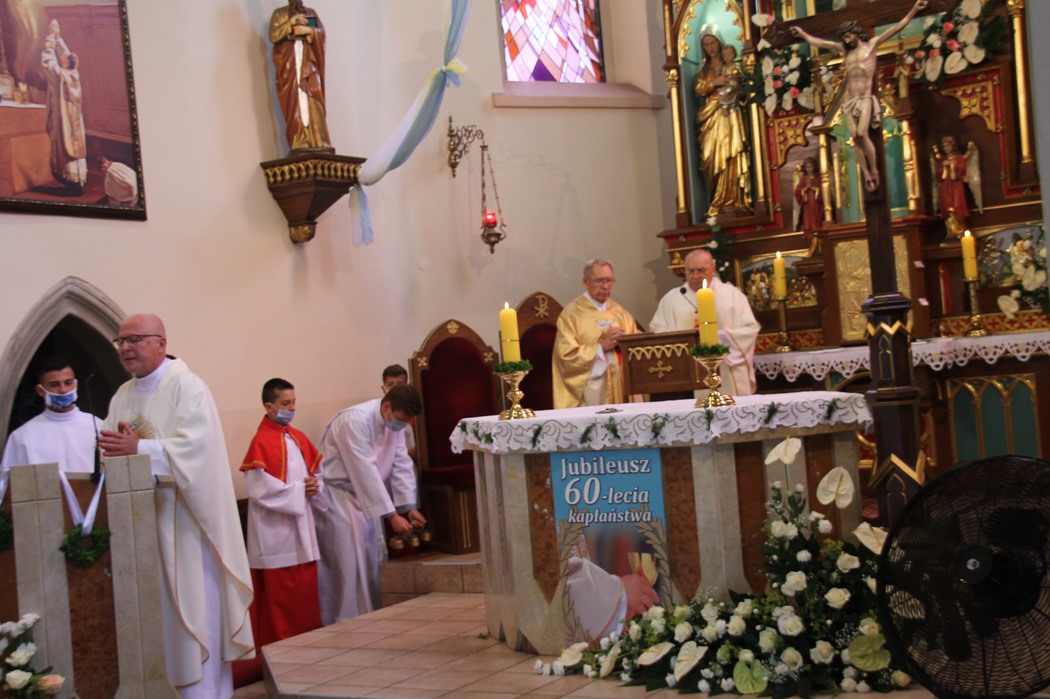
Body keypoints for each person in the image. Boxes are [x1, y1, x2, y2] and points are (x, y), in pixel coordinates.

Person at [98, 314, 253, 698]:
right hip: (140, 530)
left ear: (161, 342)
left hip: (186, 529)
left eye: (135, 339)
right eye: (121, 341)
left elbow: (198, 451)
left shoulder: (188, 387)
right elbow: (110, 450)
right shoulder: (121, 396)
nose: (125, 347)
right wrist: (115, 453)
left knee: (194, 623)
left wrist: (140, 448)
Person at [313, 384, 426, 623]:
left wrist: (409, 508)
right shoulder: (353, 421)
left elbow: (401, 463)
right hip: (340, 498)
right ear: (387, 406)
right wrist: (391, 516)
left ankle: (369, 616)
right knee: (348, 564)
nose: (401, 425)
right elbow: (364, 471)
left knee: (371, 560)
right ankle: (342, 620)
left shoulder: (392, 423)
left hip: (367, 499)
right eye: (400, 419)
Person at [790, 0, 928, 192]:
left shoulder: (871, 45)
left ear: (855, 32)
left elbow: (896, 28)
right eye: (844, 38)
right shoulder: (845, 50)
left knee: (862, 133)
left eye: (848, 36)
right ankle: (866, 173)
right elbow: (822, 42)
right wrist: (803, 34)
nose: (846, 41)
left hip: (864, 98)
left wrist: (914, 9)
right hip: (849, 98)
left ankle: (874, 170)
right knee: (854, 137)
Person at [238, 378, 326, 672]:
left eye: (294, 402)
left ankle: (310, 648)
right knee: (281, 600)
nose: (292, 408)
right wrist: (300, 490)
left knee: (304, 596)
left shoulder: (298, 437)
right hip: (276, 535)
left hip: (302, 529)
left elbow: (318, 473)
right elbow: (259, 489)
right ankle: (283, 655)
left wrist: (314, 485)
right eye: (286, 404)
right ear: (269, 406)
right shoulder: (260, 442)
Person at [650, 249, 760, 396]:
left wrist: (717, 337)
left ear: (712, 269)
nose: (696, 276)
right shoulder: (671, 299)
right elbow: (658, 332)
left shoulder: (732, 295)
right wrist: (687, 339)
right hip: (687, 375)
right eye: (690, 271)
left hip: (726, 372)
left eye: (701, 270)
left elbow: (749, 329)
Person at [1, 357, 102, 502]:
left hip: (94, 507)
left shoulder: (99, 426)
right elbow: (8, 489)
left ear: (76, 384)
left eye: (68, 383)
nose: (63, 390)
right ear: (40, 390)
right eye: (54, 385)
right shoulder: (22, 437)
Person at [552, 259, 640, 409]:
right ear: (586, 282)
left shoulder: (620, 312)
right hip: (592, 393)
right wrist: (601, 347)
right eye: (600, 281)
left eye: (610, 281)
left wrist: (624, 343)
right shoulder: (571, 315)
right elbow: (565, 356)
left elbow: (636, 346)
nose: (606, 286)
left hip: (622, 387)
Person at [695, 34, 751, 218]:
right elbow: (698, 89)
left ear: (719, 43)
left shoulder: (731, 64)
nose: (711, 47)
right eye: (706, 45)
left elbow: (742, 86)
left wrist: (735, 90)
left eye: (713, 43)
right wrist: (714, 83)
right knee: (710, 156)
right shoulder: (704, 70)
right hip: (712, 114)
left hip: (731, 112)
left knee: (732, 152)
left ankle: (734, 200)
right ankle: (718, 199)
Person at [269, 0, 332, 152]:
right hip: (290, 66)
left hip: (309, 64)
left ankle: (320, 141)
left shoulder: (310, 13)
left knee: (314, 95)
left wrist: (308, 31)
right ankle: (300, 141)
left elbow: (321, 34)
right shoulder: (279, 14)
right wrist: (290, 23)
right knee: (294, 103)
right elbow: (274, 35)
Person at [41, 33, 86, 193]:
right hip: (74, 119)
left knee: (64, 148)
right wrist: (58, 38)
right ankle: (79, 180)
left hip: (63, 120)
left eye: (64, 59)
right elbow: (67, 55)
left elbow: (48, 63)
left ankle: (71, 182)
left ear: (66, 62)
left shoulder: (60, 76)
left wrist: (50, 42)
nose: (62, 58)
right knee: (75, 148)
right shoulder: (74, 74)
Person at [931, 135, 980, 238]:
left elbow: (962, 170)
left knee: (957, 207)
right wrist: (944, 166)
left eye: (948, 146)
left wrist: (953, 165)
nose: (946, 148)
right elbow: (938, 175)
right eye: (944, 146)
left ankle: (960, 231)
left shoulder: (959, 158)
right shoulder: (942, 160)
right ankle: (950, 231)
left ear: (953, 146)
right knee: (947, 208)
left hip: (956, 186)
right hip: (945, 187)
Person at [381, 364, 416, 462]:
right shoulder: (377, 415)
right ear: (383, 388)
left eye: (400, 385)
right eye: (390, 385)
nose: (395, 390)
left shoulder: (415, 414)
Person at [794, 157, 823, 238]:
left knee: (817, 218)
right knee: (807, 219)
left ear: (814, 167)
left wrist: (814, 188)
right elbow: (797, 192)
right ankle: (809, 234)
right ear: (805, 168)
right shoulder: (803, 179)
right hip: (807, 204)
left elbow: (823, 190)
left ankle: (818, 232)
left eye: (811, 167)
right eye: (807, 167)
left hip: (816, 204)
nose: (809, 169)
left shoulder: (818, 178)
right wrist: (805, 189)